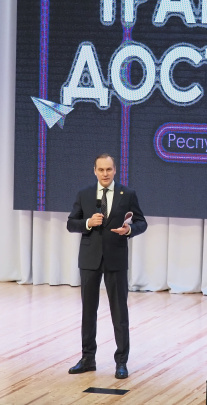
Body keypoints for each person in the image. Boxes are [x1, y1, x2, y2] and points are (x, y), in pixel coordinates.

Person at [66, 153, 147, 379]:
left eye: (108, 169)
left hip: (116, 259)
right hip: (90, 260)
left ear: (115, 170)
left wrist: (129, 230)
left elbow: (141, 222)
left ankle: (121, 362)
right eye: (101, 170)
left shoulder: (127, 194)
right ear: (94, 171)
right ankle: (87, 359)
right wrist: (88, 223)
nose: (105, 174)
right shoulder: (84, 194)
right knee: (88, 311)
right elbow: (71, 223)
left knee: (119, 312)